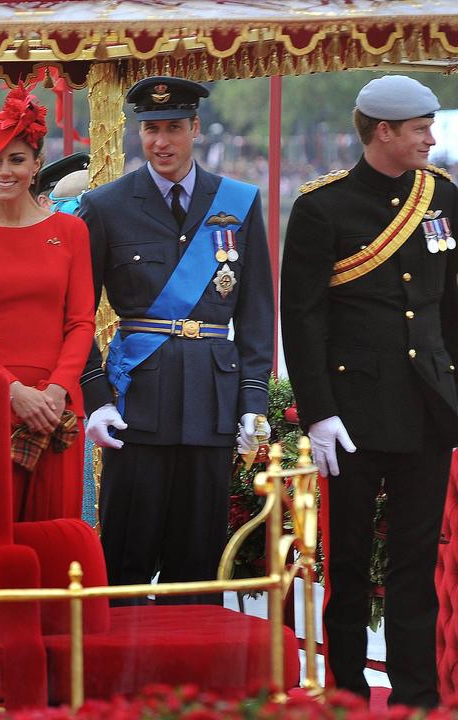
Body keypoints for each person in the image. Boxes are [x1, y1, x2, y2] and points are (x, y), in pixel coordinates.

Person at [281, 75, 458, 708]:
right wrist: (320, 414)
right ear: (383, 131)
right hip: (352, 417)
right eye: (419, 130)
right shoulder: (322, 208)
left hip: (428, 411)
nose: (429, 140)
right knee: (350, 569)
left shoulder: (441, 197)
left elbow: (451, 306)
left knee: (415, 567)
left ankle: (417, 698)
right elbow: (301, 318)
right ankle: (348, 695)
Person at [78, 77, 273, 604]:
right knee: (126, 558)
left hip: (211, 402)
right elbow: (74, 314)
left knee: (198, 565)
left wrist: (254, 403)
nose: (161, 142)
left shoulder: (237, 202)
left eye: (172, 129)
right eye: (150, 130)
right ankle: (119, 679)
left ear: (195, 130)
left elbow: (256, 313)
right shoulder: (105, 206)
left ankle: (193, 682)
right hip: (136, 405)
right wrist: (96, 399)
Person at [0, 86, 94, 522]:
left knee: (58, 536)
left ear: (37, 165)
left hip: (58, 407)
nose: (4, 171)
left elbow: (82, 322)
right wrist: (13, 392)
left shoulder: (71, 231)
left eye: (16, 160)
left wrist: (55, 393)